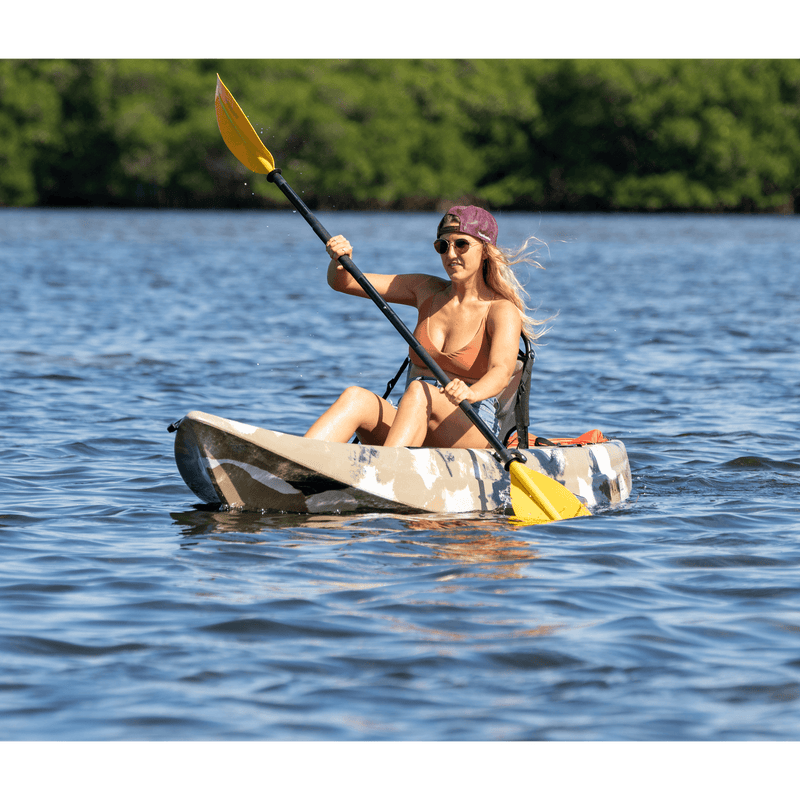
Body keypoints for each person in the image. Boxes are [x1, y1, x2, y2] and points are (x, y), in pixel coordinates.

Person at [303, 205, 545, 449]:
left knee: (420, 391)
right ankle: (296, 461)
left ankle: (386, 467)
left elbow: (501, 372)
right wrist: (340, 259)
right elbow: (344, 283)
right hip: (413, 414)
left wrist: (471, 393)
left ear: (485, 250)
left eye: (461, 244)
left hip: (471, 423)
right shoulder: (425, 289)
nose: (451, 254)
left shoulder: (502, 310)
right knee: (355, 398)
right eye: (443, 246)